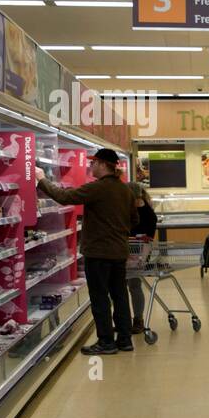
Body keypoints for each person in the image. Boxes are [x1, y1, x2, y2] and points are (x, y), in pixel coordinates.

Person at [37, 148, 138, 355]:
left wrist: (41, 180)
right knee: (119, 295)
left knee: (100, 297)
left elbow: (65, 197)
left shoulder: (99, 188)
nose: (90, 166)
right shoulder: (125, 189)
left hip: (99, 253)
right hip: (119, 252)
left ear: (102, 164)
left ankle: (106, 342)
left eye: (93, 163)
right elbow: (134, 220)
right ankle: (125, 340)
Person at [126, 182, 158, 334]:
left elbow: (148, 238)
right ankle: (123, 319)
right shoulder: (127, 209)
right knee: (122, 287)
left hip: (139, 254)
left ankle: (138, 319)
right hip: (125, 251)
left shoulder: (147, 213)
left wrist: (141, 258)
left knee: (134, 285)